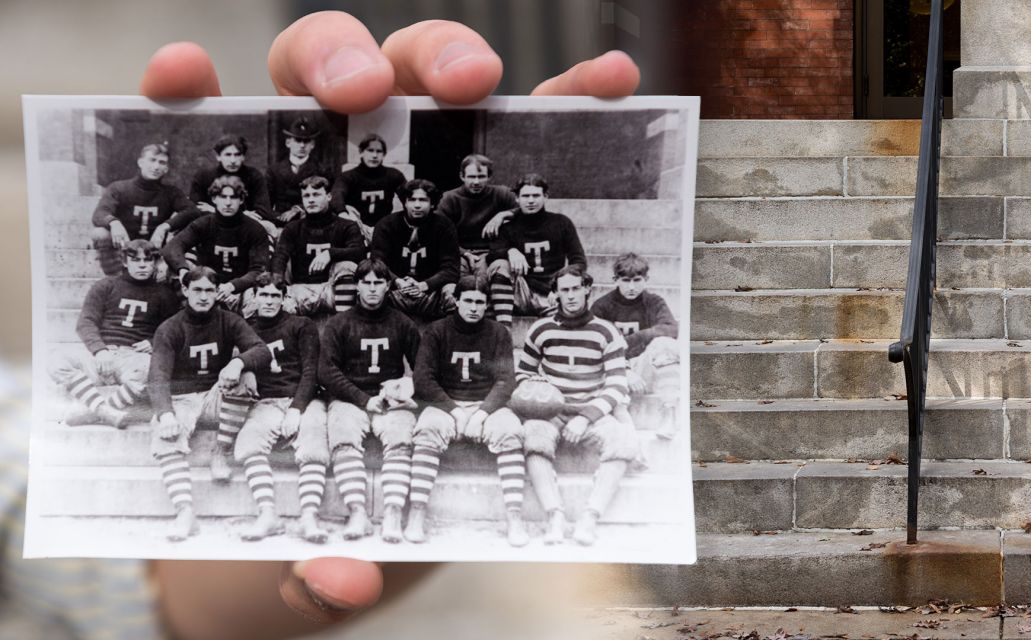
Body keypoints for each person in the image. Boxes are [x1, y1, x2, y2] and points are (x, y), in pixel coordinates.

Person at [2, 14, 639, 639]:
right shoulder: (224, 304)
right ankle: (260, 488)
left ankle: (427, 513)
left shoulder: (353, 291)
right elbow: (284, 347)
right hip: (276, 391)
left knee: (343, 422)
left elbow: (366, 360)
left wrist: (406, 365)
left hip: (353, 390)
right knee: (239, 419)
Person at [147, 267, 272, 540]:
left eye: (209, 290)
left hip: (217, 396)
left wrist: (238, 362)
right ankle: (185, 511)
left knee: (246, 378)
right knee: (164, 433)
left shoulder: (229, 320)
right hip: (182, 400)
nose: (203, 296)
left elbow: (261, 350)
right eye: (197, 290)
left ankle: (221, 450)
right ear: (185, 290)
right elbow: (157, 376)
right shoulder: (170, 327)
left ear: (217, 293)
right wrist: (165, 414)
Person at [518, 264, 637, 547]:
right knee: (533, 437)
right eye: (564, 290)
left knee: (623, 443)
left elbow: (618, 384)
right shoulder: (541, 329)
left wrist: (585, 417)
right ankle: (554, 515)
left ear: (587, 290)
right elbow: (522, 374)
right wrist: (541, 391)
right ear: (556, 294)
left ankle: (590, 517)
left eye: (575, 289)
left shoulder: (606, 331)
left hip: (592, 413)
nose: (570, 296)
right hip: (552, 412)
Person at [407, 276, 525, 544]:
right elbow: (423, 379)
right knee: (427, 429)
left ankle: (514, 516)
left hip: (488, 405)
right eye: (468, 301)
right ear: (456, 301)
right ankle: (417, 511)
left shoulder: (498, 333)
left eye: (480, 302)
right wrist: (455, 411)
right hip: (445, 403)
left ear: (487, 305)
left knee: (511, 431)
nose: (473, 307)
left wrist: (482, 413)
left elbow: (506, 380)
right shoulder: (437, 331)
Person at [319, 258, 423, 543]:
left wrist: (404, 387)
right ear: (357, 286)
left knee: (401, 436)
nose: (373, 289)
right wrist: (363, 399)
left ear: (388, 286)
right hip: (350, 398)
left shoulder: (402, 323)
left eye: (379, 283)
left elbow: (424, 369)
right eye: (366, 283)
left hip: (388, 400)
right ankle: (357, 511)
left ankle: (392, 512)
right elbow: (326, 371)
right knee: (342, 434)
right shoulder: (339, 323)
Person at [221, 281, 332, 543]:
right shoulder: (246, 328)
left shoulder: (301, 325)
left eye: (275, 296)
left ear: (284, 298)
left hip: (303, 399)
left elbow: (310, 372)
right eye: (263, 295)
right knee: (249, 443)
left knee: (314, 445)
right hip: (266, 401)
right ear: (254, 298)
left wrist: (296, 408)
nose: (269, 301)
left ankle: (309, 516)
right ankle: (268, 514)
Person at [49, 239, 179, 427]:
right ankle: (104, 411)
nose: (142, 265)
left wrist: (153, 342)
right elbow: (86, 322)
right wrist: (100, 350)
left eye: (147, 260)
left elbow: (173, 329)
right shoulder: (106, 286)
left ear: (155, 263)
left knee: (154, 371)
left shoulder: (164, 294)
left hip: (133, 358)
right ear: (125, 262)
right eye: (136, 260)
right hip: (102, 354)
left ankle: (95, 411)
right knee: (55, 358)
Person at [589, 252, 681, 435]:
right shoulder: (601, 306)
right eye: (625, 280)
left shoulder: (653, 302)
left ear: (646, 279)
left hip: (643, 367)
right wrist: (624, 370)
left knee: (666, 344)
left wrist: (633, 339)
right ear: (615, 280)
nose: (631, 287)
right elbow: (593, 346)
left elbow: (672, 329)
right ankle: (623, 427)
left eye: (637, 280)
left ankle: (669, 413)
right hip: (611, 370)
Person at [162, 175, 272, 315]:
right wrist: (183, 270)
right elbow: (172, 247)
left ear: (241, 200)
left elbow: (259, 270)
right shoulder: (203, 224)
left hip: (240, 289)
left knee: (257, 299)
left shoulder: (255, 229)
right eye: (223, 197)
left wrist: (232, 286)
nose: (228, 203)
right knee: (169, 272)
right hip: (206, 285)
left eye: (233, 197)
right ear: (214, 199)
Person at [486, 173, 586, 324]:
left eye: (536, 195)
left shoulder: (561, 223)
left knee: (569, 325)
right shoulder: (508, 227)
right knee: (499, 265)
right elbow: (492, 255)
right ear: (517, 198)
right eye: (525, 196)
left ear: (545, 196)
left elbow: (578, 261)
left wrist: (559, 286)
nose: (531, 200)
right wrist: (510, 251)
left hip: (550, 293)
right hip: (521, 292)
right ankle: (504, 327)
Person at [90, 142, 196, 276]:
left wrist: (164, 226)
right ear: (140, 162)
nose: (156, 166)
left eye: (162, 163)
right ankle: (115, 277)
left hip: (154, 252)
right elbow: (99, 213)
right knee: (100, 233)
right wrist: (114, 222)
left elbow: (192, 211)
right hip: (125, 249)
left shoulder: (171, 192)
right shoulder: (119, 188)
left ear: (166, 169)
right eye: (152, 160)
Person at [270, 176, 366, 315]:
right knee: (274, 278)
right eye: (306, 196)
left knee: (347, 266)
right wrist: (279, 286)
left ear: (328, 196)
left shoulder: (346, 225)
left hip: (333, 290)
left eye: (316, 194)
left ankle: (344, 321)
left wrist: (330, 253)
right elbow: (280, 257)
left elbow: (359, 252)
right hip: (301, 290)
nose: (311, 200)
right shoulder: (293, 228)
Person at [370, 178, 460, 321]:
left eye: (423, 200)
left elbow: (451, 269)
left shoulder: (444, 226)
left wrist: (424, 285)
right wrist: (397, 281)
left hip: (430, 293)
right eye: (412, 200)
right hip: (395, 291)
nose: (417, 205)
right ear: (405, 202)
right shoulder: (386, 224)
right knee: (370, 286)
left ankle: (450, 337)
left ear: (432, 203)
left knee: (452, 290)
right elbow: (377, 261)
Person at [434, 154, 517, 279]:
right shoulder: (449, 199)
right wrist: (464, 253)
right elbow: (439, 233)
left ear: (489, 176)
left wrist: (503, 215)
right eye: (472, 177)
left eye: (481, 176)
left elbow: (525, 210)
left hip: (492, 252)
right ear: (462, 176)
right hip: (459, 252)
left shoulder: (502, 193)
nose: (476, 182)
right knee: (456, 281)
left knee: (487, 279)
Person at [265, 117, 333, 238]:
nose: (302, 145)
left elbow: (327, 199)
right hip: (281, 221)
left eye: (306, 141)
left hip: (310, 220)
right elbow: (266, 202)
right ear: (288, 143)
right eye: (297, 140)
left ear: (312, 144)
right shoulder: (274, 170)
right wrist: (279, 217)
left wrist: (298, 210)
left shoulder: (322, 169)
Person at [333, 132, 407, 240]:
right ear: (361, 152)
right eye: (370, 150)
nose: (374, 155)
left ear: (384, 154)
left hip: (384, 229)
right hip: (355, 228)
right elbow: (337, 195)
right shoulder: (348, 176)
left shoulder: (393, 175)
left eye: (379, 151)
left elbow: (408, 196)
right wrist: (344, 214)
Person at [189, 134, 270, 219]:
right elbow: (195, 210)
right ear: (218, 156)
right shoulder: (203, 176)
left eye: (237, 155)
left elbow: (263, 212)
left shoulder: (254, 176)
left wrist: (214, 210)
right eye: (228, 155)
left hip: (245, 228)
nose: (233, 160)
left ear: (243, 157)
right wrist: (243, 214)